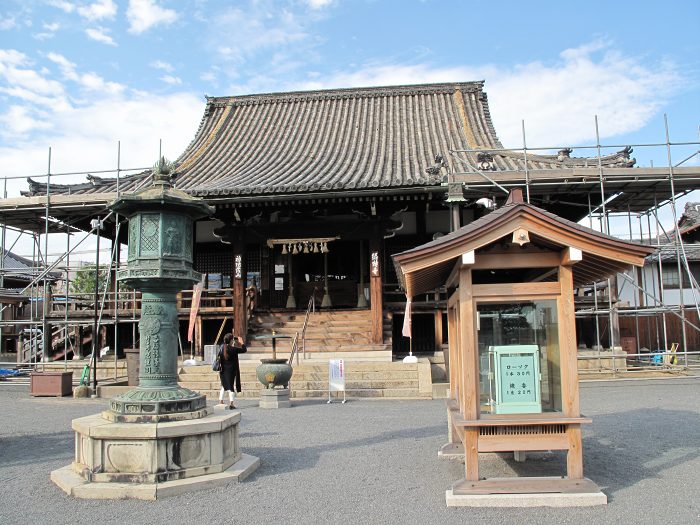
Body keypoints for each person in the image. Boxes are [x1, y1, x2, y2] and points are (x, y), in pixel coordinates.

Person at [218, 332, 247, 409]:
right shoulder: (233, 349)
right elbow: (244, 350)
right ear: (231, 340)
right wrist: (241, 342)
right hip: (231, 371)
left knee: (224, 385)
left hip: (223, 371)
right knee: (231, 386)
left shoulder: (221, 348)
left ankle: (220, 400)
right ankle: (231, 403)